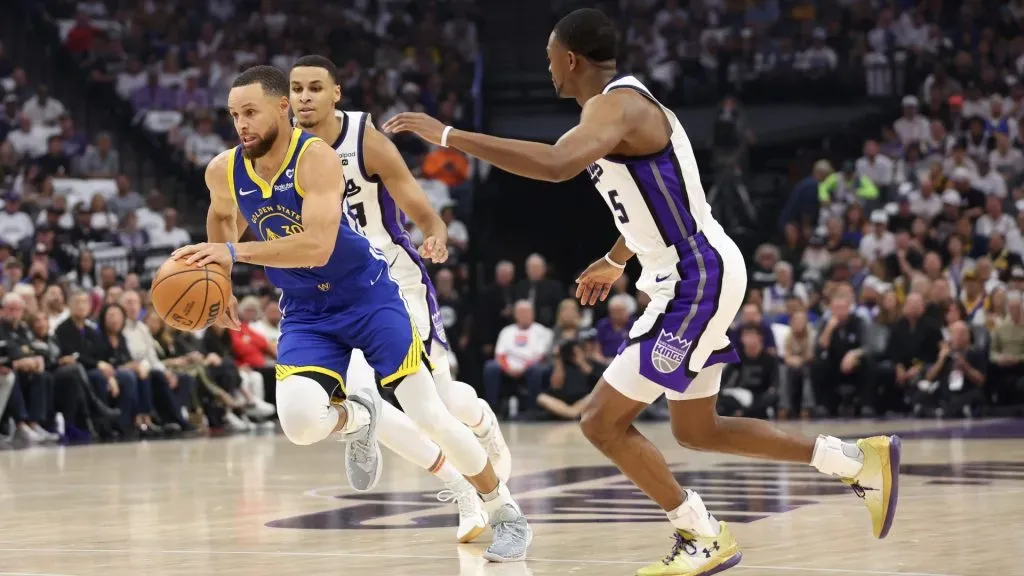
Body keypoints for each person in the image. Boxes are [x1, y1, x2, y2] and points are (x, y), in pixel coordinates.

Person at [383, 9, 899, 575]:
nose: (547, 67)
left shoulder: (617, 105)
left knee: (601, 420)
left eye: (550, 57)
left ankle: (700, 534)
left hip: (696, 277)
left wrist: (450, 136)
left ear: (570, 59)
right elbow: (655, 202)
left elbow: (556, 165)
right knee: (696, 429)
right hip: (687, 274)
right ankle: (853, 461)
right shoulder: (614, 109)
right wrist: (614, 258)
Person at [171, 65, 530, 562]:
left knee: (430, 411)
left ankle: (503, 507)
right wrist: (222, 276)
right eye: (234, 115)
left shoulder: (318, 158)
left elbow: (317, 245)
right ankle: (358, 419)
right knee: (298, 422)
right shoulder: (223, 169)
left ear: (280, 110)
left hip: (368, 294)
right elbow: (222, 216)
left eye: (250, 112)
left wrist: (235, 256)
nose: (242, 124)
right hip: (306, 310)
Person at [288, 56, 511, 542]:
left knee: (440, 404)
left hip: (394, 281)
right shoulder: (282, 148)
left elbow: (417, 203)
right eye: (296, 89)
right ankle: (459, 486)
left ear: (335, 93)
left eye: (314, 88)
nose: (304, 97)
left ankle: (481, 423)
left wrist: (435, 232)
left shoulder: (362, 137)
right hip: (338, 295)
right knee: (366, 403)